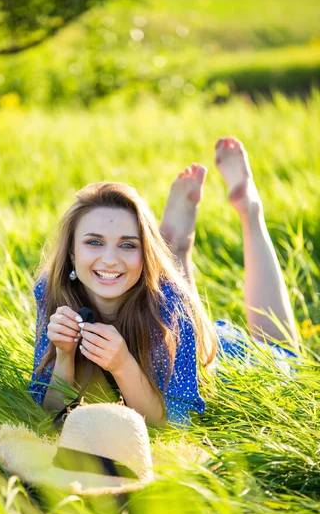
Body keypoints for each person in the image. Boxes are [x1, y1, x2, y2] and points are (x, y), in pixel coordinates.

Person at [29, 137, 299, 428]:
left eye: (128, 245)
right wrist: (65, 356)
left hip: (222, 360)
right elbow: (50, 411)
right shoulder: (53, 290)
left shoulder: (170, 302)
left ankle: (250, 210)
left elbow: (175, 423)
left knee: (285, 354)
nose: (109, 260)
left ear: (145, 255)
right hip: (175, 332)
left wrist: (122, 365)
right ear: (71, 252)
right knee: (172, 293)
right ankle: (176, 245)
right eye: (94, 242)